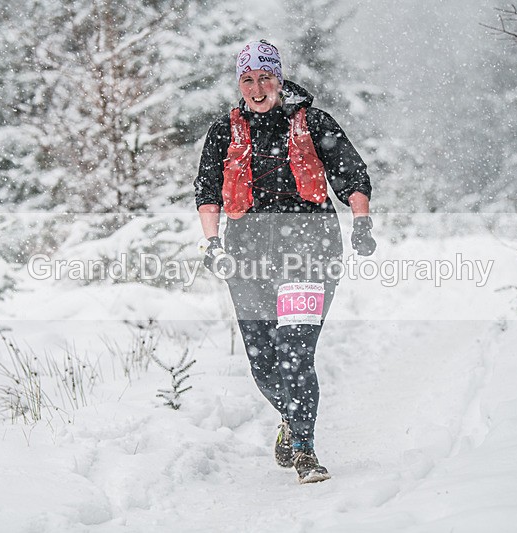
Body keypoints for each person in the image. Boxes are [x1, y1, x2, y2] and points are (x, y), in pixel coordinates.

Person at [194, 40, 376, 484]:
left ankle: (305, 449)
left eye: (265, 78)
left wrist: (361, 223)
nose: (257, 89)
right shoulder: (224, 131)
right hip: (247, 254)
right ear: (239, 83)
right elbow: (207, 191)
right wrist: (212, 243)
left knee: (295, 351)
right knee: (264, 364)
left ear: (279, 78)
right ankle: (291, 420)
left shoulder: (313, 123)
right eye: (248, 80)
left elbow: (352, 174)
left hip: (309, 250)